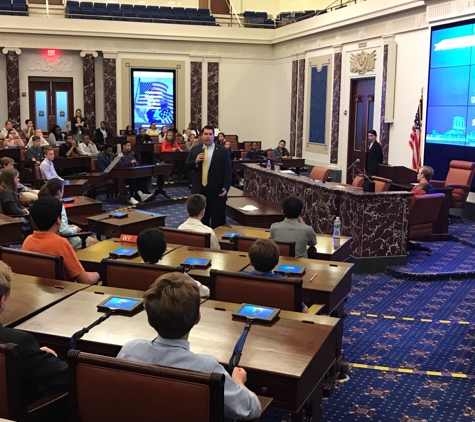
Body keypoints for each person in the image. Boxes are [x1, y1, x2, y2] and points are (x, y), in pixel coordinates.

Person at [117, 272, 261, 421]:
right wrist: (238, 381)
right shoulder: (207, 368)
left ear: (149, 320)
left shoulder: (130, 351)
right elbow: (252, 409)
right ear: (198, 318)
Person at [0, 260, 68, 405]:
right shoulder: (18, 343)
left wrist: (34, 356)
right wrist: (32, 355)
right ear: (1, 301)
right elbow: (66, 378)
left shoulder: (20, 346)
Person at [23, 196, 100, 284]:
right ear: (58, 220)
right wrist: (98, 274)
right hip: (64, 292)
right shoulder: (61, 243)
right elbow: (86, 280)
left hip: (38, 289)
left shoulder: (28, 241)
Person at [137, 228, 210, 297]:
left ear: (139, 251)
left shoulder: (129, 269)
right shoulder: (176, 275)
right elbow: (204, 291)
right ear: (165, 249)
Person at [185, 125, 232, 228]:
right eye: (205, 134)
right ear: (201, 136)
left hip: (217, 192)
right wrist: (195, 161)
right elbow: (186, 166)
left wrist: (226, 187)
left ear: (213, 136)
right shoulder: (195, 150)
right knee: (201, 224)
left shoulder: (223, 151)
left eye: (210, 134)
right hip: (199, 191)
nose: (208, 136)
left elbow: (228, 171)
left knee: (218, 223)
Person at [246, 239, 308, 313]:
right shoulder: (287, 285)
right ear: (277, 262)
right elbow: (305, 311)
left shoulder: (241, 279)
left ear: (251, 262)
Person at [38, 178, 98, 249]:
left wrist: (69, 226)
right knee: (97, 243)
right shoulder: (59, 206)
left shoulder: (41, 203)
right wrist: (75, 229)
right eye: (63, 189)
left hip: (46, 238)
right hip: (65, 239)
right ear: (59, 191)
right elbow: (63, 231)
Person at [117, 140, 152, 204]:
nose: (130, 147)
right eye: (128, 146)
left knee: (145, 176)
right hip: (125, 175)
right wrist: (130, 163)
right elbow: (120, 165)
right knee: (131, 180)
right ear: (123, 147)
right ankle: (140, 194)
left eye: (130, 146)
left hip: (134, 172)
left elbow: (136, 162)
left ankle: (144, 193)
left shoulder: (130, 154)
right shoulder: (120, 155)